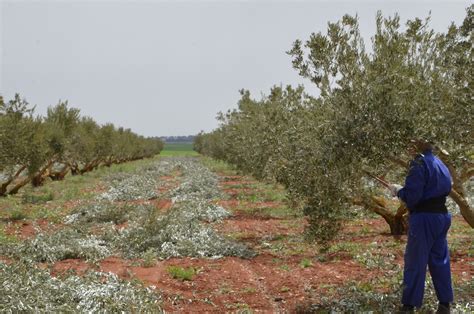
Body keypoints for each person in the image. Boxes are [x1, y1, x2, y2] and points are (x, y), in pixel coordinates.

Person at [389, 140, 453, 314]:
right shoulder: (440, 163)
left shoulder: (419, 162)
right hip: (442, 217)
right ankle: (445, 305)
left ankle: (408, 307)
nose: (408, 144)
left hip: (424, 218)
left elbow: (413, 197)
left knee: (415, 260)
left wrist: (398, 191)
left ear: (419, 143)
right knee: (440, 260)